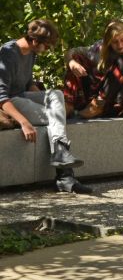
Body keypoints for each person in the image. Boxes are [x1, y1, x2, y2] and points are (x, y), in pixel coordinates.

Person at [0, 19, 92, 194]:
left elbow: (28, 84)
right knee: (55, 117)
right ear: (35, 41)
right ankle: (65, 176)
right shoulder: (8, 53)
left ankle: (61, 155)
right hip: (10, 102)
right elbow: (2, 96)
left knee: (56, 94)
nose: (47, 50)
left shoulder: (31, 52)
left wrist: (46, 100)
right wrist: (24, 122)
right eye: (47, 46)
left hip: (22, 96)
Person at [63, 20, 123, 118]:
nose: (120, 45)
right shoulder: (100, 48)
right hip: (96, 94)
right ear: (108, 42)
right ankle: (69, 104)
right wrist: (71, 62)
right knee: (76, 58)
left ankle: (98, 106)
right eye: (115, 42)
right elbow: (72, 52)